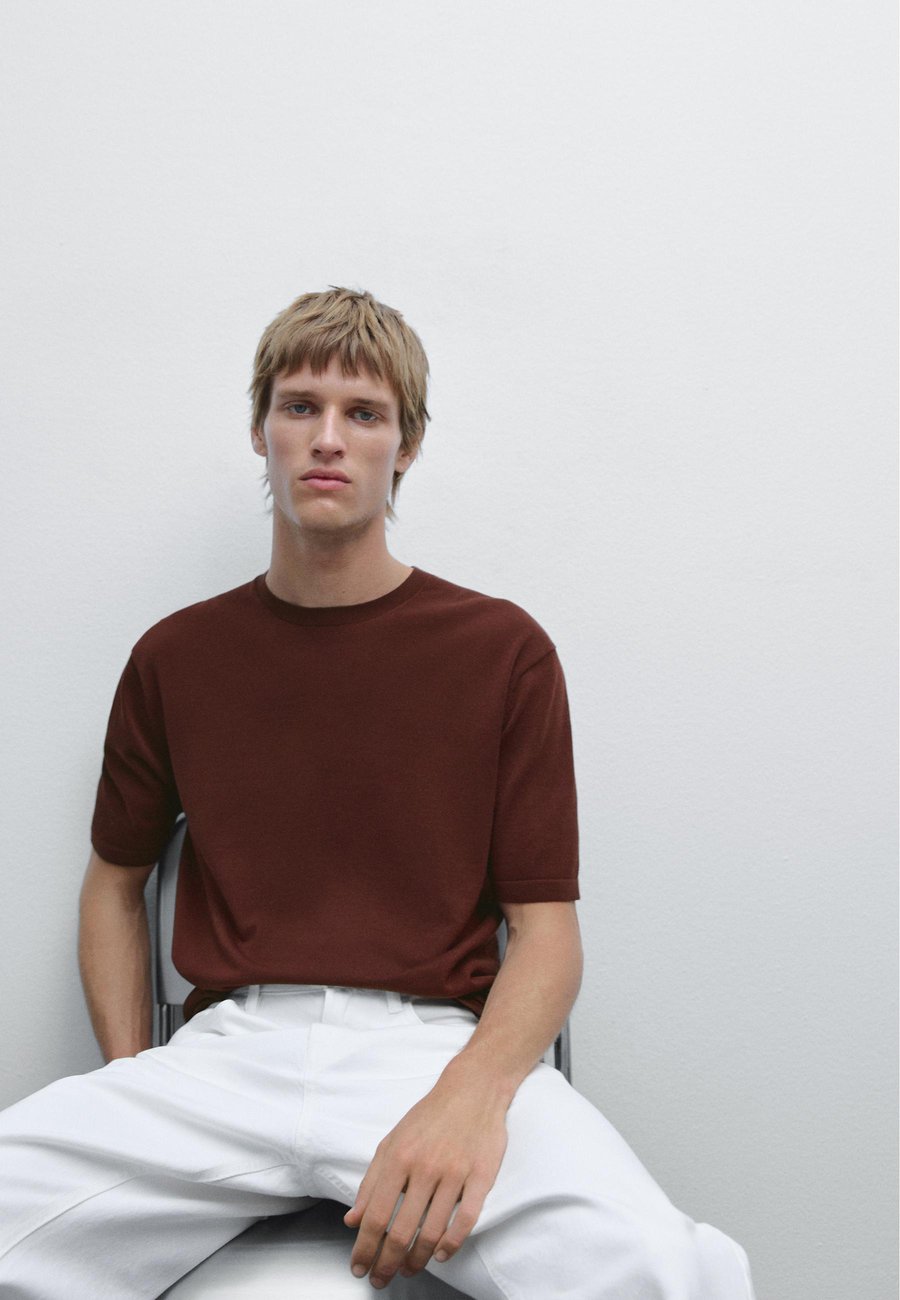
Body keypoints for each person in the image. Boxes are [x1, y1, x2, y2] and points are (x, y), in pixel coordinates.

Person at [0, 287, 757, 1299]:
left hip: (430, 1050)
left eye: (364, 413)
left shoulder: (501, 651)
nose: (329, 438)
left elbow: (547, 934)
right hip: (229, 1055)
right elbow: (113, 882)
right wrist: (131, 1076)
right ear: (261, 430)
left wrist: (470, 1099)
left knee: (674, 1272)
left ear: (407, 445)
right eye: (299, 406)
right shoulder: (176, 656)